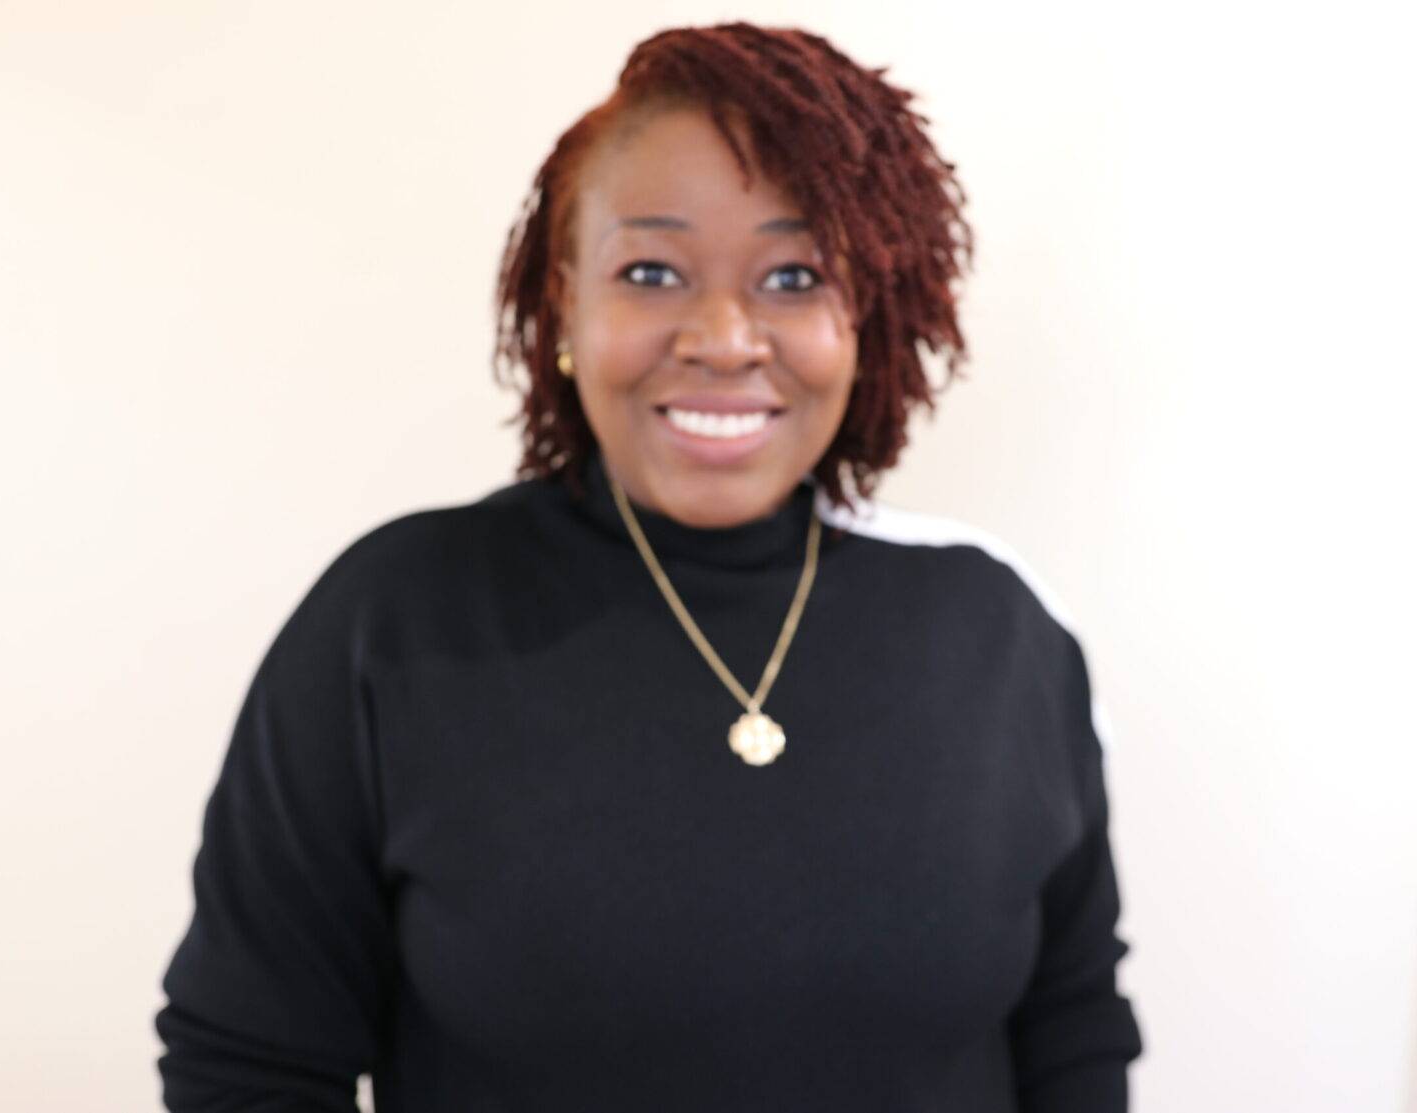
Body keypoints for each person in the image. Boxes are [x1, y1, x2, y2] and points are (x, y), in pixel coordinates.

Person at [154, 21, 1144, 1112]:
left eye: (794, 274)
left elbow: (1072, 1035)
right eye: (653, 270)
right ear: (563, 303)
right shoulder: (393, 624)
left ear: (868, 314)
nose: (724, 337)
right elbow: (248, 1066)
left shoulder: (998, 632)